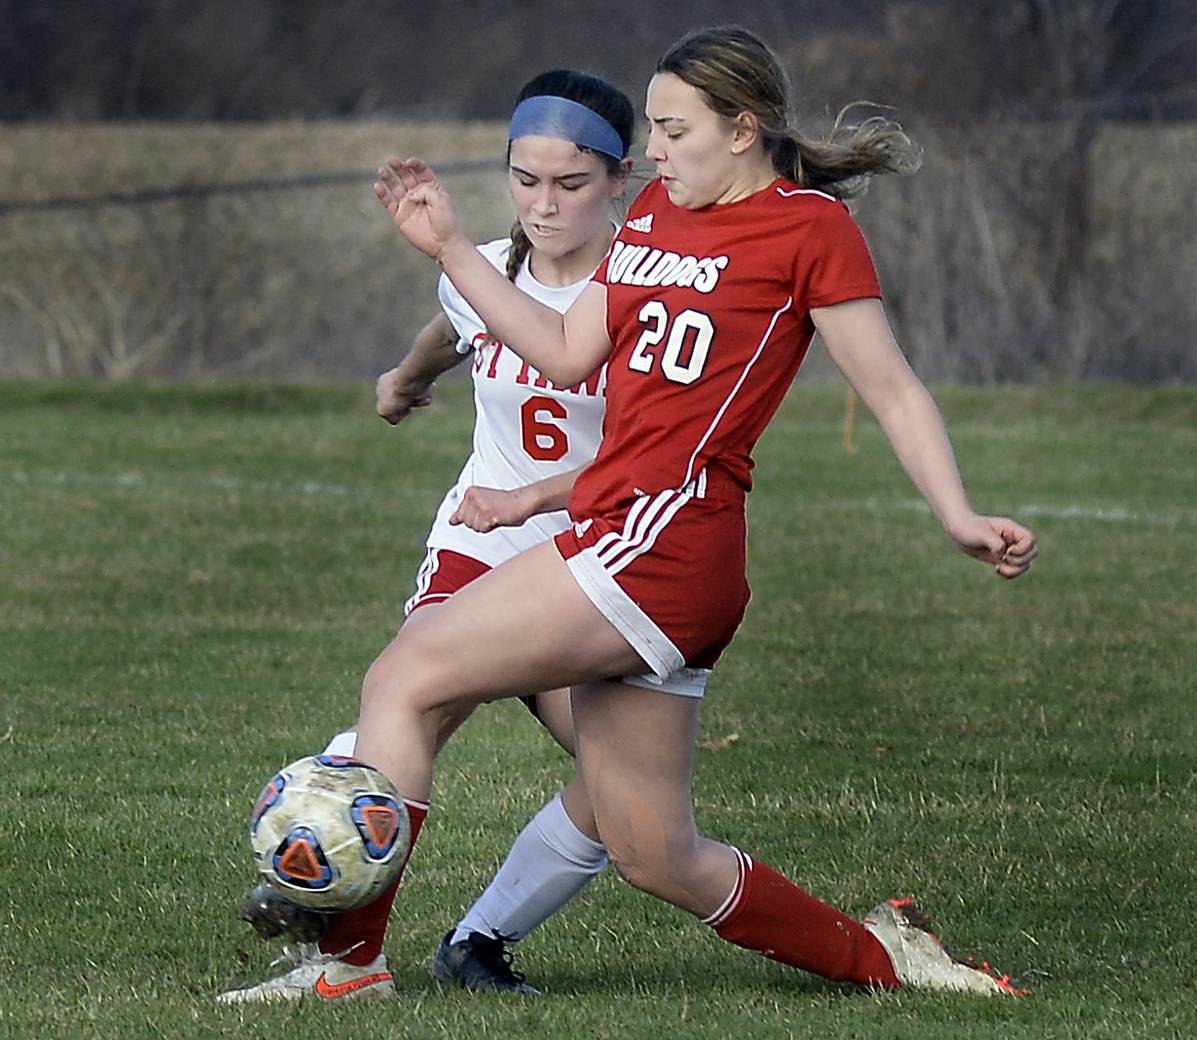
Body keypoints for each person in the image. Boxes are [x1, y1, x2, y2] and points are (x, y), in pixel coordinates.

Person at [247, 23, 1039, 1005]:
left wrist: (957, 512)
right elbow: (568, 352)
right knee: (655, 850)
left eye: (672, 128)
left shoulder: (810, 229)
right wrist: (450, 247)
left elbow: (892, 389)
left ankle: (347, 963)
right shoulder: (661, 210)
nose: (653, 152)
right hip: (642, 542)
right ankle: (884, 958)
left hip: (661, 542)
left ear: (743, 127)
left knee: (405, 675)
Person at [219, 68, 635, 1004]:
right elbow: (452, 327)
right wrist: (402, 381)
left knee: (627, 796)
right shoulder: (489, 266)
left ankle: (477, 942)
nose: (544, 204)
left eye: (571, 184)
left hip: (602, 561)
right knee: (418, 706)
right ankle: (342, 941)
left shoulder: (643, 287)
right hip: (482, 545)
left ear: (623, 178)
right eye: (526, 180)